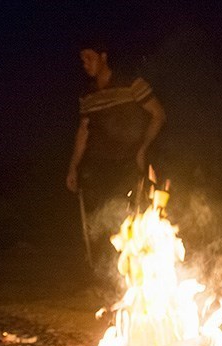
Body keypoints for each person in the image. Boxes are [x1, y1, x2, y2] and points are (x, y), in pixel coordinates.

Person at [65, 39, 166, 270]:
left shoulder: (131, 84)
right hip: (100, 167)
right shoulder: (88, 95)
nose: (85, 64)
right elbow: (83, 131)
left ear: (103, 57)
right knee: (102, 225)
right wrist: (73, 166)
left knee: (131, 220)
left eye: (89, 58)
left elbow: (158, 114)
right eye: (82, 60)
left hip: (129, 164)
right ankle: (107, 279)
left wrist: (143, 148)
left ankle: (139, 274)